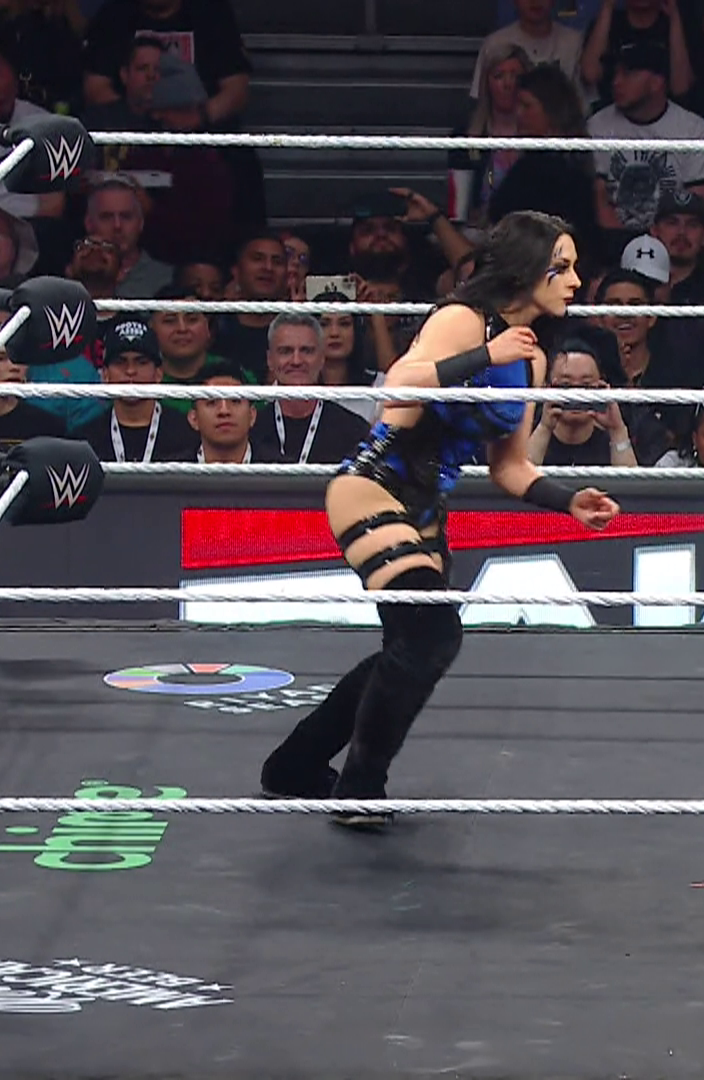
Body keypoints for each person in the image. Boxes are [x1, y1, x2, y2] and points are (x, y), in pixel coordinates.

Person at [258, 211, 619, 829]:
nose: (575, 281)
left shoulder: (531, 361)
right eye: (562, 267)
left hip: (427, 507)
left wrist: (567, 500)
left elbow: (508, 467)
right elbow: (398, 386)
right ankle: (360, 788)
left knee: (410, 647)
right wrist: (484, 353)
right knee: (431, 635)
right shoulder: (462, 320)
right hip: (373, 484)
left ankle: (295, 764)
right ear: (527, 268)